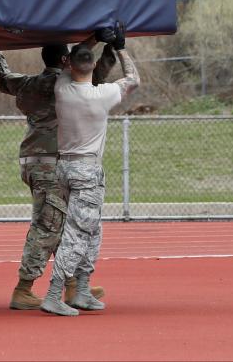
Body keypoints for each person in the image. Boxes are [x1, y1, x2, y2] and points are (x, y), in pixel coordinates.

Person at [0, 44, 106, 310]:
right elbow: (96, 75)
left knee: (62, 222)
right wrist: (103, 45)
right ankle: (24, 288)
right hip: (53, 163)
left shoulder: (29, 84)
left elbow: (2, 78)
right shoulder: (67, 85)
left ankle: (73, 284)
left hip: (35, 160)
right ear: (66, 59)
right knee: (49, 225)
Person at [41, 24, 139, 316]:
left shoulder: (62, 87)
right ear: (95, 66)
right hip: (86, 170)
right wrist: (120, 46)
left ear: (68, 65)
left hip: (65, 167)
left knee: (91, 230)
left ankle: (82, 289)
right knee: (78, 233)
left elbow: (76, 58)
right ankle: (55, 293)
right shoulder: (103, 95)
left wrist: (95, 37)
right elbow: (133, 78)